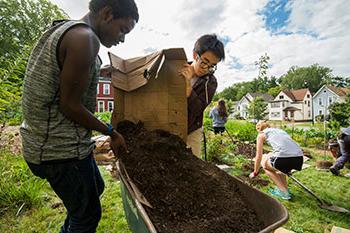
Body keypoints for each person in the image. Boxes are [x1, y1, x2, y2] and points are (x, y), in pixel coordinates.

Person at [20, 0, 139, 232]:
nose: (122, 39)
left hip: (49, 143)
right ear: (107, 14)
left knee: (96, 187)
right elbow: (70, 106)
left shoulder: (66, 30)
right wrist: (111, 132)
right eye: (123, 29)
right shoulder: (84, 39)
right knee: (87, 216)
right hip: (58, 150)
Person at [179, 34, 225, 157]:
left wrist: (188, 88)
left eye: (212, 66)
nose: (206, 69)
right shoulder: (178, 69)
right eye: (205, 62)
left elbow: (198, 109)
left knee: (191, 164)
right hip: (172, 125)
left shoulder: (210, 82)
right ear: (195, 55)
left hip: (192, 129)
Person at [249, 121, 303, 200]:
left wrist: (255, 172)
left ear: (259, 129)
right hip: (298, 158)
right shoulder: (280, 131)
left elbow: (258, 156)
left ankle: (283, 192)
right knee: (278, 167)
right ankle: (286, 189)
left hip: (284, 159)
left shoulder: (261, 134)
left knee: (264, 165)